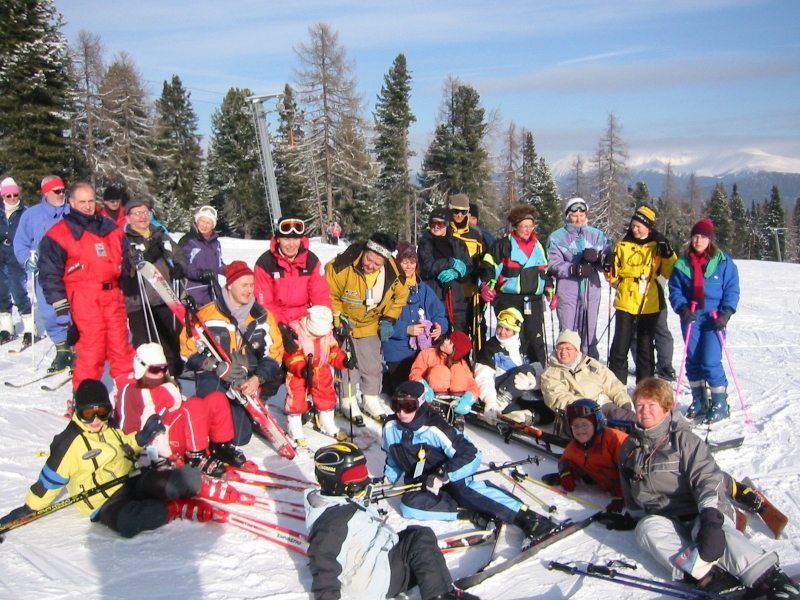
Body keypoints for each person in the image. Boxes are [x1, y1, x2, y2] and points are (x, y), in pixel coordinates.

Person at [601, 378, 798, 600]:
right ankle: (713, 579)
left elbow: (707, 480)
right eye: (640, 405)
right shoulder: (629, 447)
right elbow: (630, 487)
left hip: (701, 510)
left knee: (711, 534)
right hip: (667, 519)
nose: (644, 411)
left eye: (651, 405)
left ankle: (772, 580)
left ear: (666, 409)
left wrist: (711, 520)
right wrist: (633, 516)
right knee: (647, 529)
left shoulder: (685, 441)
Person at [0, 379, 204, 539]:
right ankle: (170, 508)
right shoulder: (69, 442)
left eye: (102, 412)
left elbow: (124, 445)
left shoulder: (109, 426)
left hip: (131, 479)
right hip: (104, 501)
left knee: (185, 480)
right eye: (88, 413)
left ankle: (196, 486)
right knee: (132, 522)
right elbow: (49, 481)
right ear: (78, 412)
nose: (96, 420)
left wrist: (141, 437)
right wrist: (28, 508)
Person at [382, 381, 555, 546]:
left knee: (465, 491)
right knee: (408, 505)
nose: (402, 412)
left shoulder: (435, 428)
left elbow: (471, 455)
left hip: (452, 475)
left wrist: (444, 474)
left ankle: (529, 518)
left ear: (419, 404)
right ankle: (473, 513)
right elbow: (393, 456)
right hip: (425, 483)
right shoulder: (390, 427)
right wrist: (388, 479)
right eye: (396, 405)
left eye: (408, 406)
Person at [306, 442, 480, 600]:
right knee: (420, 538)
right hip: (375, 581)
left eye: (362, 473)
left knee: (413, 538)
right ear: (334, 482)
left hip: (376, 565)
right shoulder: (333, 522)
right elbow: (324, 563)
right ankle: (441, 595)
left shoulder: (341, 500)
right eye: (355, 477)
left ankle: (423, 568)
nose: (363, 481)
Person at [38, 182, 135, 402]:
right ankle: (85, 404)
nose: (87, 206)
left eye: (91, 201)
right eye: (82, 202)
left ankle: (129, 401)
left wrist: (131, 267)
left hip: (112, 296)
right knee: (92, 353)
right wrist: (60, 307)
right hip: (83, 298)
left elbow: (126, 258)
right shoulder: (58, 234)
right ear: (71, 203)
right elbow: (49, 274)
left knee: (121, 350)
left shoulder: (110, 228)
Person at [180, 260, 283, 446]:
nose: (249, 290)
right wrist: (214, 366)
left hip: (244, 378)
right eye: (244, 285)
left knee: (239, 439)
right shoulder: (207, 315)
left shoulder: (263, 316)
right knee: (213, 410)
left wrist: (257, 378)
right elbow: (187, 350)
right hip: (214, 376)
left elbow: (275, 352)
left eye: (252, 285)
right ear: (229, 285)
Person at [116, 343, 247, 477]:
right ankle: (195, 457)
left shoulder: (167, 383)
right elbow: (128, 430)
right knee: (194, 404)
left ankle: (220, 447)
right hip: (162, 445)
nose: (160, 373)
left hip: (183, 434)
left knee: (216, 398)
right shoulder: (132, 391)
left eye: (163, 368)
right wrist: (145, 457)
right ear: (141, 368)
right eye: (155, 370)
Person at [325, 232, 408, 423]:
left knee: (371, 363)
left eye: (376, 264)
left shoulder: (394, 273)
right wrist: (338, 320)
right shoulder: (342, 265)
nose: (370, 266)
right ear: (365, 251)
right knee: (348, 364)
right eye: (368, 259)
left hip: (371, 322)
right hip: (345, 322)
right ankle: (347, 399)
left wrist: (389, 319)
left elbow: (400, 297)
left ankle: (370, 397)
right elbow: (330, 295)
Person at [669, 219, 740, 424]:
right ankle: (699, 400)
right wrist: (682, 308)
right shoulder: (682, 263)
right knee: (692, 358)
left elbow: (732, 290)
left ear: (710, 239)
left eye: (703, 237)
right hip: (691, 316)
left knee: (709, 360)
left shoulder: (723, 262)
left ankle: (720, 402)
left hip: (714, 317)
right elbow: (675, 290)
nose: (698, 240)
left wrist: (726, 314)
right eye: (695, 236)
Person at [607, 203, 677, 384]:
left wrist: (668, 254)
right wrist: (612, 271)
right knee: (619, 348)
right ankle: (617, 388)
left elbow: (669, 270)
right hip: (626, 300)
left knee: (646, 349)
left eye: (639, 226)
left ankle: (644, 388)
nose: (635, 229)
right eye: (633, 225)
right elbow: (613, 272)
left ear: (648, 226)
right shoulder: (623, 243)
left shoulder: (658, 244)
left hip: (649, 302)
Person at [478, 205, 552, 367]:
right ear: (515, 227)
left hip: (533, 300)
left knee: (534, 337)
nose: (527, 230)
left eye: (530, 226)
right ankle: (507, 371)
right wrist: (485, 285)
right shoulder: (502, 245)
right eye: (523, 226)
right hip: (507, 299)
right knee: (509, 336)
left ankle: (537, 373)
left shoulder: (539, 246)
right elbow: (488, 267)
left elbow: (544, 272)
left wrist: (549, 289)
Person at [13, 175, 73, 372]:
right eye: (57, 191)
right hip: (46, 273)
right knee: (49, 312)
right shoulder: (31, 215)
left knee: (75, 310)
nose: (61, 194)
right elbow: (20, 242)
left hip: (72, 270)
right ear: (46, 193)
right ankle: (62, 349)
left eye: (63, 190)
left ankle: (79, 348)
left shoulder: (72, 210)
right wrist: (26, 259)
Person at [121, 197, 184, 376]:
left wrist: (179, 267)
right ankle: (145, 387)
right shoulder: (124, 240)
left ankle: (171, 382)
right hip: (139, 302)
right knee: (145, 347)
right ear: (128, 218)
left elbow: (179, 254)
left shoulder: (160, 234)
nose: (143, 217)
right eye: (137, 213)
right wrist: (143, 258)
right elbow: (123, 266)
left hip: (165, 298)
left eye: (145, 213)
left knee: (170, 344)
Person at [546, 197, 611, 360]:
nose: (578, 219)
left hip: (591, 289)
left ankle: (589, 366)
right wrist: (573, 268)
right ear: (568, 216)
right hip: (568, 288)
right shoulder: (557, 237)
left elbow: (610, 261)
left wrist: (599, 259)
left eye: (582, 215)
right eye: (574, 215)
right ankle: (566, 366)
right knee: (568, 331)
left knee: (589, 331)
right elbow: (552, 263)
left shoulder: (598, 235)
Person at [382, 242, 448, 396]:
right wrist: (406, 329)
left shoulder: (423, 288)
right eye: (405, 262)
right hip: (398, 350)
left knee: (433, 384)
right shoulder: (388, 287)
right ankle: (384, 379)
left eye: (412, 262)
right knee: (405, 393)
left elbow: (439, 312)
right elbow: (382, 322)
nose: (409, 266)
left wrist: (440, 327)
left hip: (424, 349)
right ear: (398, 263)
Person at [541, 399, 628, 512]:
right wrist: (566, 472)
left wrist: (623, 492)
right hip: (606, 486)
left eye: (585, 424)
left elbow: (632, 468)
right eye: (575, 425)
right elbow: (565, 460)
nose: (580, 429)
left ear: (597, 423)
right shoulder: (574, 446)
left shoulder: (615, 439)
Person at [283, 306, 352, 447]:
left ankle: (327, 422)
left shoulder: (327, 333)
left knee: (326, 395)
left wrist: (344, 360)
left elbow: (333, 352)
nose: (318, 337)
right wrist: (300, 368)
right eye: (315, 334)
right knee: (296, 397)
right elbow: (292, 355)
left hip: (321, 370)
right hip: (300, 373)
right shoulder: (297, 332)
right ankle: (294, 426)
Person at [474, 307, 551, 425]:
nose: (502, 332)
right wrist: (491, 402)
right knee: (526, 369)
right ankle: (499, 407)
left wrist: (535, 383)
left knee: (549, 412)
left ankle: (519, 417)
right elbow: (483, 378)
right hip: (494, 396)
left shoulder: (525, 346)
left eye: (507, 329)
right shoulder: (490, 348)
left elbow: (539, 371)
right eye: (500, 327)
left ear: (516, 330)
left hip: (518, 397)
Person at [540, 329, 636, 421]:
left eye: (568, 348)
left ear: (576, 350)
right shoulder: (550, 374)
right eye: (560, 348)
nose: (563, 352)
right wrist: (585, 409)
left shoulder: (590, 364)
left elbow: (613, 384)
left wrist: (625, 404)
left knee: (628, 419)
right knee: (599, 429)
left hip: (603, 404)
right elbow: (559, 398)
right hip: (578, 413)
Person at [254, 216, 331, 328]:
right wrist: (280, 326)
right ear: (278, 239)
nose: (291, 244)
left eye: (295, 239)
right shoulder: (266, 263)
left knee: (323, 338)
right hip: (275, 320)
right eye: (286, 239)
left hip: (304, 318)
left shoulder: (311, 261)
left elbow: (320, 296)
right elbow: (265, 302)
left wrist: (325, 318)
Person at [417, 207, 472, 332]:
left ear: (447, 224)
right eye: (433, 224)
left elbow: (468, 267)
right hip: (434, 299)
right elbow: (427, 267)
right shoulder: (425, 243)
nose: (436, 227)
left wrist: (458, 272)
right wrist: (450, 262)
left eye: (440, 224)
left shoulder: (458, 243)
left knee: (458, 342)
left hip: (456, 301)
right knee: (437, 340)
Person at [408, 331, 480, 412]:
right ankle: (436, 406)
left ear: (455, 351)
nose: (445, 342)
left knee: (458, 371)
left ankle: (457, 407)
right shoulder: (427, 354)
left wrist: (468, 399)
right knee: (440, 370)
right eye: (448, 339)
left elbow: (472, 385)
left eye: (450, 343)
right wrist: (423, 388)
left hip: (454, 399)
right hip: (433, 396)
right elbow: (415, 373)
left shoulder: (462, 364)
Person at [0, 177, 33, 346]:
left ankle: (29, 328)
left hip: (16, 253)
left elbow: (29, 233)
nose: (12, 198)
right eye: (8, 196)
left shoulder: (24, 212)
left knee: (18, 288)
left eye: (15, 195)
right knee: (1, 290)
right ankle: (6, 327)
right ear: (2, 196)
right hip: (0, 253)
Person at [448, 195, 486, 342]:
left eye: (463, 212)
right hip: (452, 292)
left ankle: (479, 362)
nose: (459, 215)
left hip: (472, 291)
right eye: (456, 211)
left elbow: (484, 259)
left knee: (478, 331)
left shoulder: (475, 233)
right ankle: (460, 363)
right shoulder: (445, 231)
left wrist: (481, 273)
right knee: (458, 333)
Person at [176, 205, 225, 308]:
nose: (204, 225)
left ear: (213, 225)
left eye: (208, 223)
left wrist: (233, 271)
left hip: (212, 291)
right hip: (193, 291)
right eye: (202, 221)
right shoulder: (188, 241)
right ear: (197, 221)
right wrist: (199, 273)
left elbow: (219, 265)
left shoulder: (215, 243)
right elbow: (182, 265)